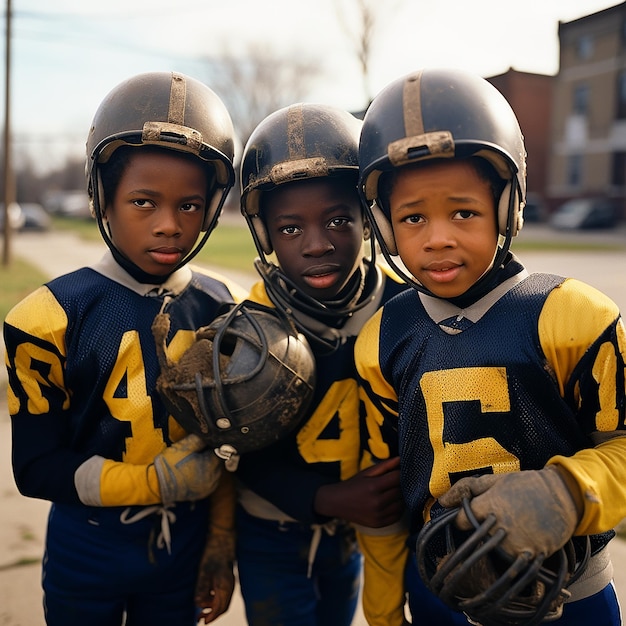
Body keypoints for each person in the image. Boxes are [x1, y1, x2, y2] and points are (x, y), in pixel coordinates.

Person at [354, 67, 626, 625]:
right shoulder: (381, 339)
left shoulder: (572, 315)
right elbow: (384, 491)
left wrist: (567, 493)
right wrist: (381, 608)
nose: (438, 237)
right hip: (439, 588)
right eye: (412, 217)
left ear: (507, 206)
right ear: (383, 225)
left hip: (566, 594)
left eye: (463, 212)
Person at [3, 71, 245, 626]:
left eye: (189, 205)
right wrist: (152, 482)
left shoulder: (221, 305)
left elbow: (228, 446)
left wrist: (220, 542)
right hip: (87, 545)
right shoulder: (50, 315)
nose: (169, 226)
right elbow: (36, 468)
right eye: (144, 202)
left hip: (183, 543)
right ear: (103, 199)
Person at [226, 102, 410, 626]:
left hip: (361, 537)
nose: (316, 244)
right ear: (263, 235)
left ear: (368, 219)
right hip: (273, 533)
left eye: (337, 220)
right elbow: (239, 456)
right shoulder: (247, 327)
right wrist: (327, 497)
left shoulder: (407, 311)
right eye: (289, 229)